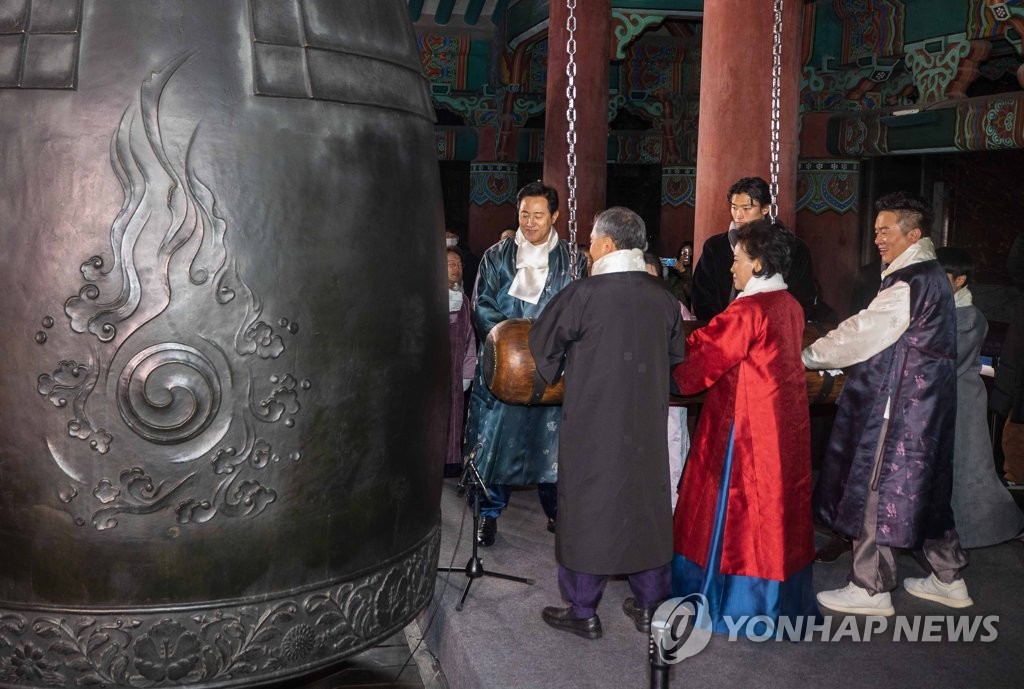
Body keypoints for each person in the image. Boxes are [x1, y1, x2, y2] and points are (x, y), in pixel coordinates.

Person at [804, 191, 970, 616]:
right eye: (875, 230)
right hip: (927, 404)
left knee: (875, 488)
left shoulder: (909, 281)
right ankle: (948, 579)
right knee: (926, 489)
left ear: (912, 233)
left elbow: (864, 332)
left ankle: (870, 586)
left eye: (885, 230)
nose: (877, 238)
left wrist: (806, 354)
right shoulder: (932, 275)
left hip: (899, 405)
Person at [528, 207, 686, 640]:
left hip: (594, 422)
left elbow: (542, 344)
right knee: (646, 505)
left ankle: (583, 609)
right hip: (646, 426)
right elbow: (677, 359)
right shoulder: (664, 297)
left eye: (593, 241)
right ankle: (652, 605)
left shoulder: (584, 294)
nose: (589, 249)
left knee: (588, 504)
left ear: (610, 245)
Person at [670, 219, 818, 635]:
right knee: (776, 508)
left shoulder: (747, 310)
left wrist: (665, 359)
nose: (730, 268)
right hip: (782, 427)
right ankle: (776, 601)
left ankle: (731, 601)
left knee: (734, 507)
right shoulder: (790, 305)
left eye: (736, 260)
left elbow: (703, 356)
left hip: (745, 425)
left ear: (756, 265)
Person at [463, 181, 585, 546]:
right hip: (505, 367)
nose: (530, 223)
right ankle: (488, 514)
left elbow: (578, 309)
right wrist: (511, 345)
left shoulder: (573, 258)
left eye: (538, 215)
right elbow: (482, 303)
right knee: (497, 441)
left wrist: (549, 347)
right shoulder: (497, 256)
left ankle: (558, 513)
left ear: (555, 216)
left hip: (553, 369)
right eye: (524, 215)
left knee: (554, 446)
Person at [936, 246, 1024, 546]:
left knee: (970, 471)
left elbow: (951, 359)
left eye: (941, 276)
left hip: (963, 402)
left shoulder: (970, 315)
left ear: (959, 281)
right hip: (949, 398)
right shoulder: (947, 309)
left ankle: (982, 530)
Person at [690, 176, 818, 320]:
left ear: (765, 209)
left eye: (746, 208)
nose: (738, 215)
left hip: (774, 330)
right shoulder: (715, 247)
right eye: (734, 207)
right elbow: (702, 297)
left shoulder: (793, 248)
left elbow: (803, 298)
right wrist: (726, 327)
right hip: (724, 331)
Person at [645, 252, 693, 510]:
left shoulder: (677, 309)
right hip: (635, 399)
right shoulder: (623, 307)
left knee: (670, 457)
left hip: (669, 399)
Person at [445, 248, 477, 478]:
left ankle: (451, 462)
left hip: (455, 373)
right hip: (433, 374)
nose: (456, 268)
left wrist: (467, 373)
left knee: (455, 415)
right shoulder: (430, 298)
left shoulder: (465, 301)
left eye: (458, 264)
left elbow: (469, 339)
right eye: (450, 264)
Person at [665, 241, 693, 309]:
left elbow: (690, 292)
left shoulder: (693, 272)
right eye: (683, 253)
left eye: (688, 253)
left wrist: (683, 271)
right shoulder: (673, 271)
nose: (685, 256)